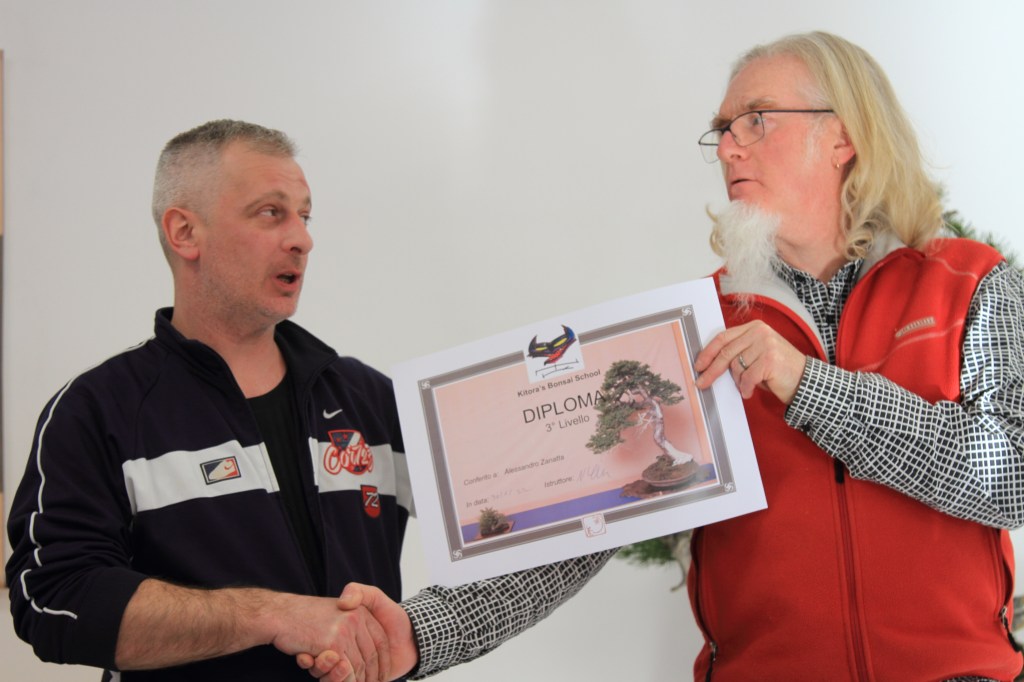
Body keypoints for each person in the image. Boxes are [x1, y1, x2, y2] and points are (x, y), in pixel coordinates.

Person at [5, 119, 613, 682]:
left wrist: (418, 636)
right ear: (185, 232)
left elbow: (549, 525)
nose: (302, 239)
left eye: (304, 215)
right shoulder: (97, 411)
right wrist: (271, 615)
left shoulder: (370, 400)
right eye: (271, 213)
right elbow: (54, 600)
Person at [687, 31, 1024, 680]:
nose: (728, 148)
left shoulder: (971, 282)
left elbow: (1013, 474)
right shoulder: (701, 319)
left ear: (842, 137)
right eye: (723, 130)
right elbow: (596, 509)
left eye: (756, 120)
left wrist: (806, 384)